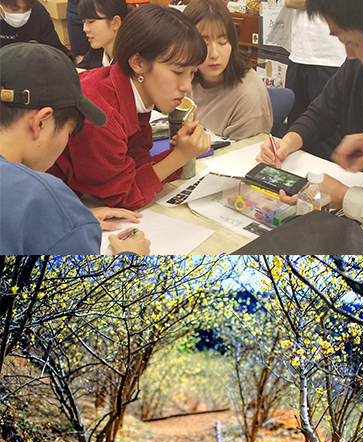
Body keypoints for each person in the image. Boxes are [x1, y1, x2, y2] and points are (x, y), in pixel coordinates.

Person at [50, 4, 211, 210]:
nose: (186, 86)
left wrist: (180, 152)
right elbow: (122, 197)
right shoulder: (99, 114)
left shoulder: (131, 93)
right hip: (45, 205)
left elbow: (136, 165)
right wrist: (181, 156)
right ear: (138, 63)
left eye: (192, 73)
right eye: (178, 71)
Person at [0, 42, 149, 255]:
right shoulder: (39, 196)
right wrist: (129, 258)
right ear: (41, 122)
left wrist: (63, 220)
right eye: (70, 132)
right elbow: (79, 288)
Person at [256, 0, 363, 178]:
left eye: (355, 43)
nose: (350, 54)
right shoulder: (356, 66)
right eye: (343, 42)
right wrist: (287, 142)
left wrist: (345, 195)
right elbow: (321, 113)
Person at [182, 0, 272, 140]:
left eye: (222, 42)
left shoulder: (248, 94)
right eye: (204, 43)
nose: (214, 54)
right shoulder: (186, 76)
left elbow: (243, 155)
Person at [284, 0, 345, 130]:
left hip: (330, 58)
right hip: (299, 54)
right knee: (296, 126)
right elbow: (290, 2)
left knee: (327, 127)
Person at [0, 0, 68, 53]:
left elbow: (57, 50)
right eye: (14, 9)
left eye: (26, 8)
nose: (21, 13)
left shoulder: (38, 11)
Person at [78, 0, 128, 69]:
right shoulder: (96, 51)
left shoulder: (131, 59)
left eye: (91, 22)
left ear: (115, 23)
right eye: (84, 21)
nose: (85, 29)